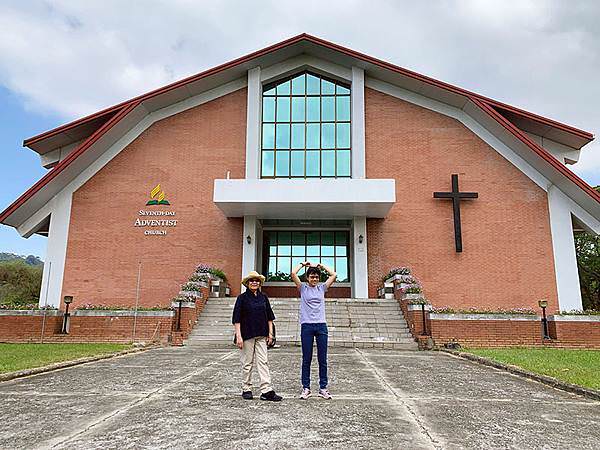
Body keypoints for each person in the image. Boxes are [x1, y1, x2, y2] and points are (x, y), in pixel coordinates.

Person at [232, 270, 282, 402]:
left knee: (263, 362)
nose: (254, 282)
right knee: (247, 363)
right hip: (247, 334)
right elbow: (236, 318)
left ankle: (266, 391)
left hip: (262, 334)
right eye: (252, 280)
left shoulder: (263, 297)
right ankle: (246, 388)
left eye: (257, 280)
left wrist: (270, 334)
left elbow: (269, 317)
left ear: (260, 283)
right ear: (247, 283)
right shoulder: (241, 298)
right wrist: (239, 336)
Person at [291, 261, 336, 400]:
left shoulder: (322, 288)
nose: (314, 279)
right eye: (312, 277)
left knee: (322, 359)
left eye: (316, 277)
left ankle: (323, 388)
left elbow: (334, 274)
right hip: (307, 326)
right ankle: (306, 388)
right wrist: (303, 265)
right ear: (307, 278)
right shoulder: (303, 288)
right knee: (307, 358)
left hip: (321, 326)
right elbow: (293, 274)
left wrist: (322, 266)